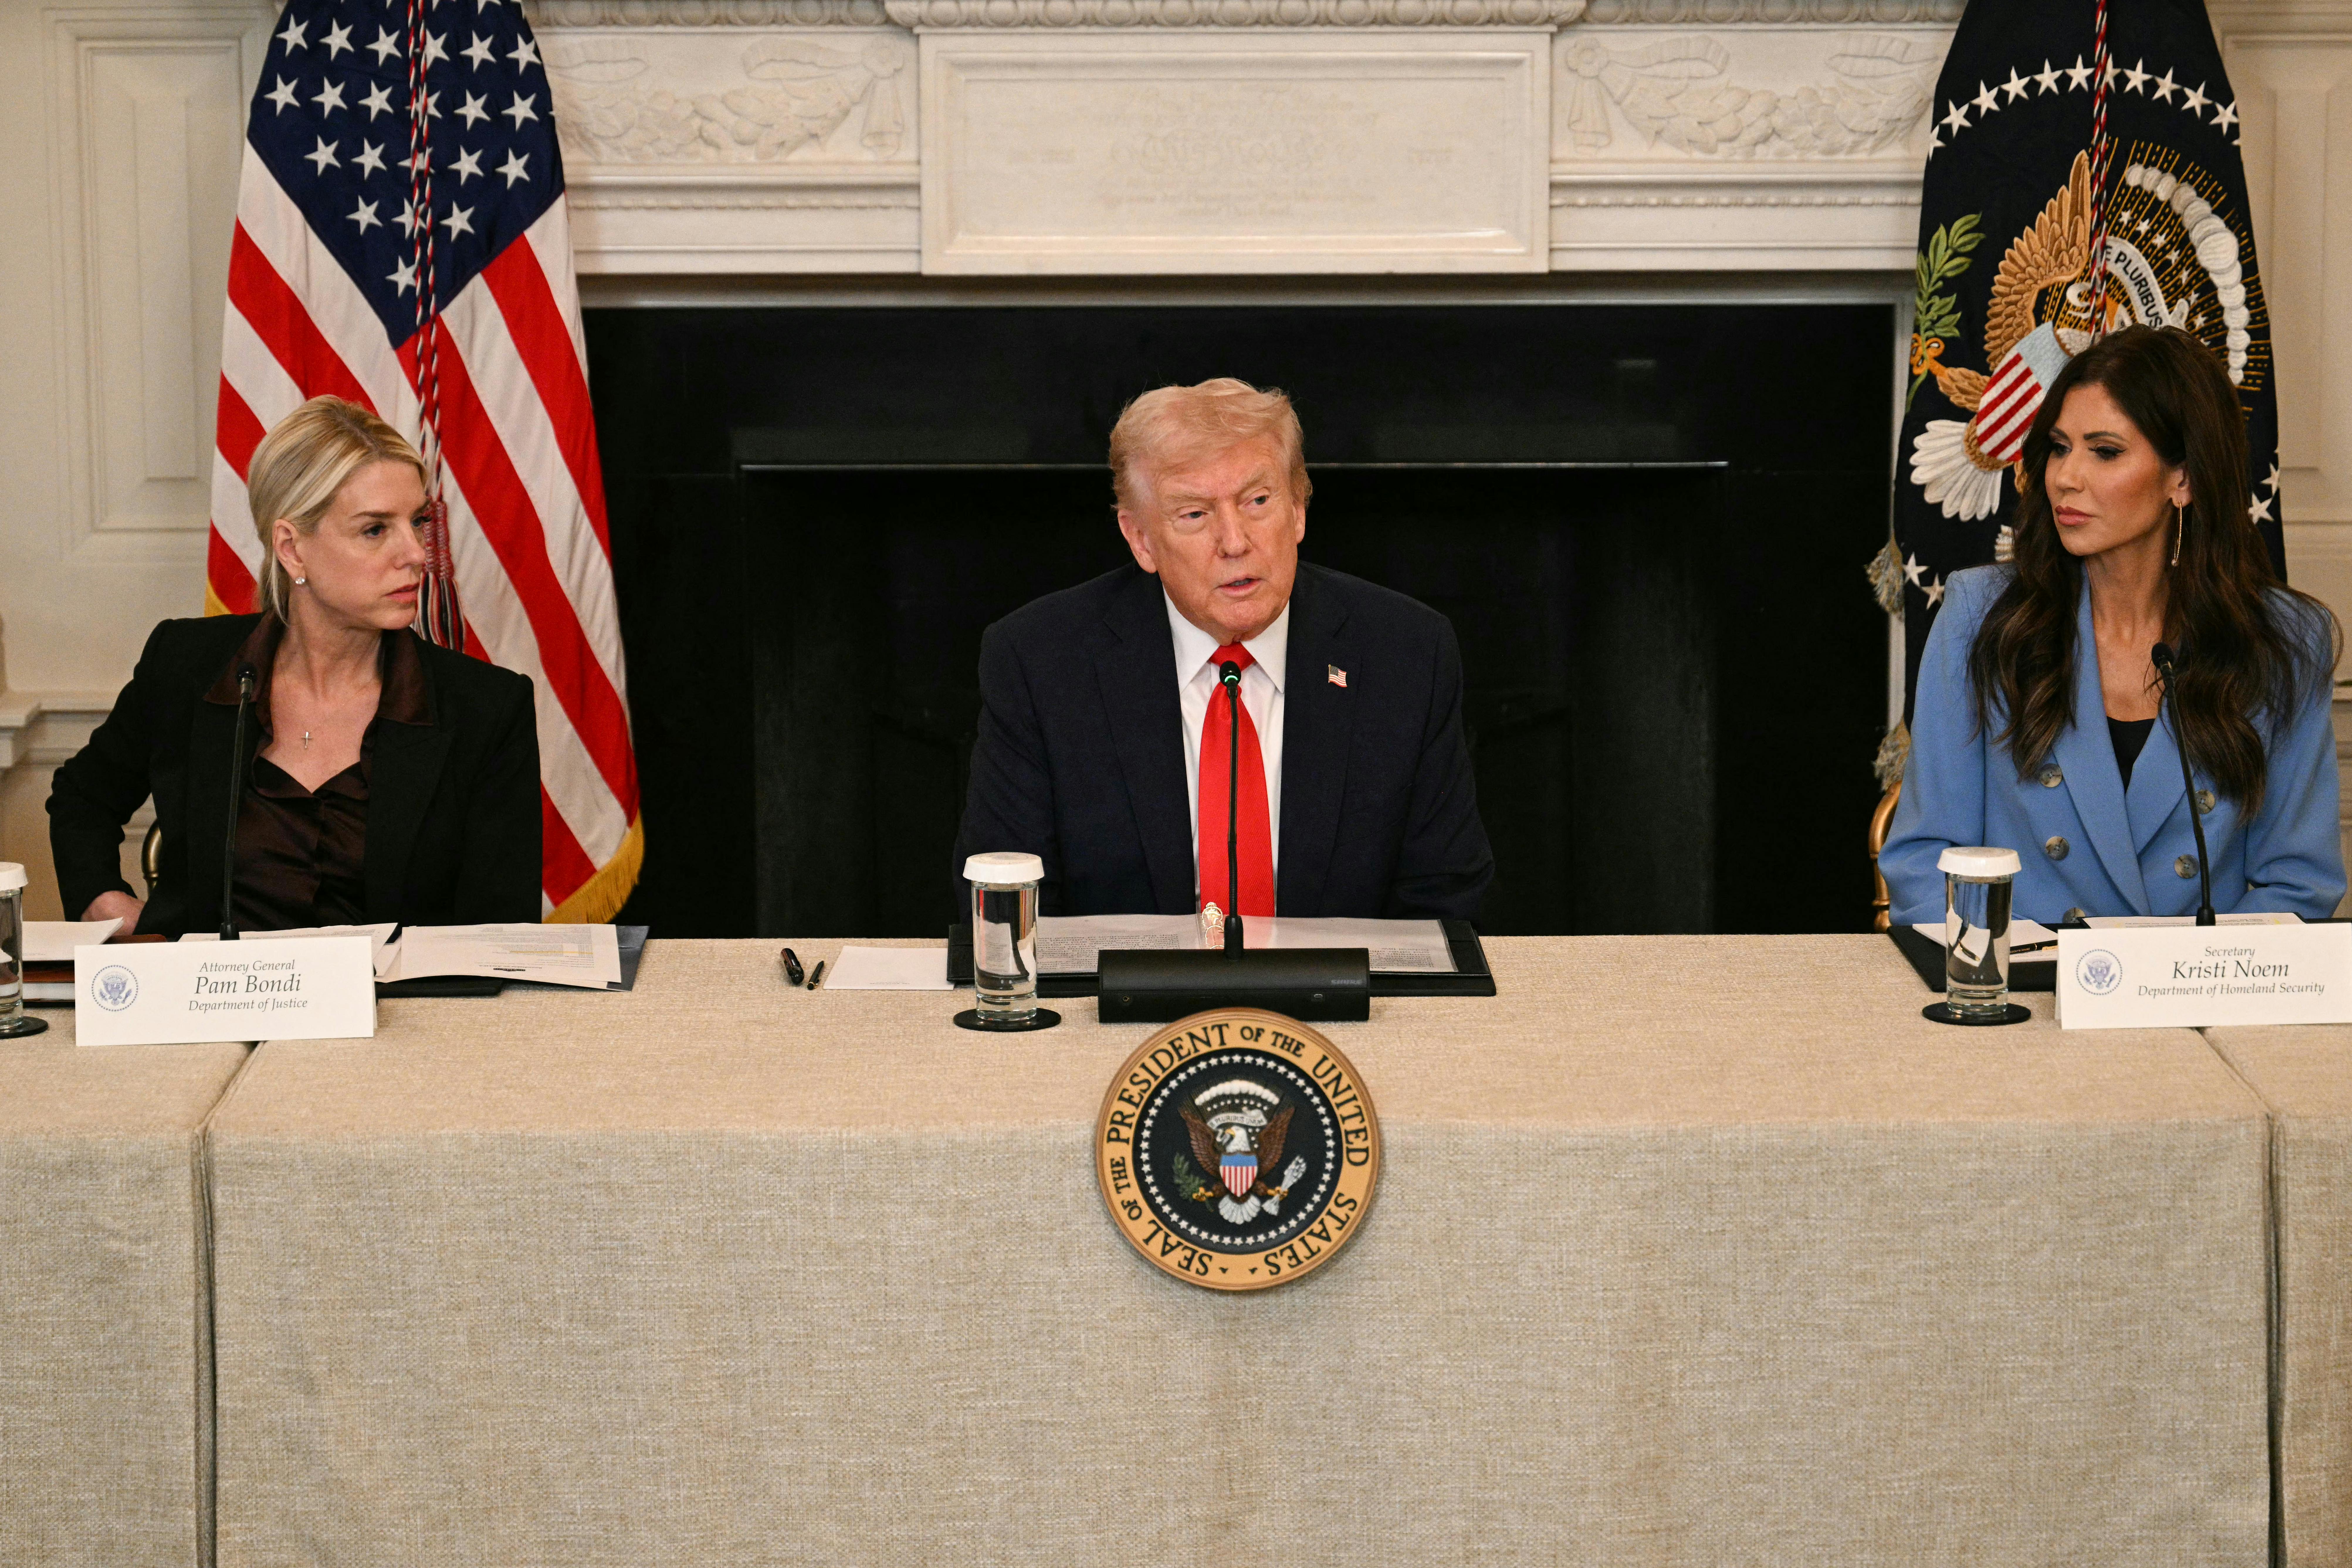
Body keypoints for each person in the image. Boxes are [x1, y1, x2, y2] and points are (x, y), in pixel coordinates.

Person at [952, 377, 1494, 921]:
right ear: (1141, 539)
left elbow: (1446, 906)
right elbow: (1007, 908)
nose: (1235, 542)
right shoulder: (1040, 662)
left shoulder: (1406, 655)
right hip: (1121, 1005)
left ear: (1300, 509)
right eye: (1195, 514)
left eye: (1258, 501)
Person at [1882, 325, 2343, 927]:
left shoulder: (2284, 641)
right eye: (2057, 446)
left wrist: (2173, 987)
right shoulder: (1980, 617)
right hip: (2024, 997)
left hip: (2195, 1000)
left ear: (2184, 478)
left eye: (2103, 452)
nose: (2064, 478)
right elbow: (1925, 862)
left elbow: (2297, 885)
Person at [47, 396, 543, 937]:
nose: (417, 553)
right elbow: (82, 799)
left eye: (418, 521)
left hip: (403, 1017)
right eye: (376, 529)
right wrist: (103, 902)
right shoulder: (185, 665)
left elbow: (502, 932)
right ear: (292, 549)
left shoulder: (487, 708)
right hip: (213, 1012)